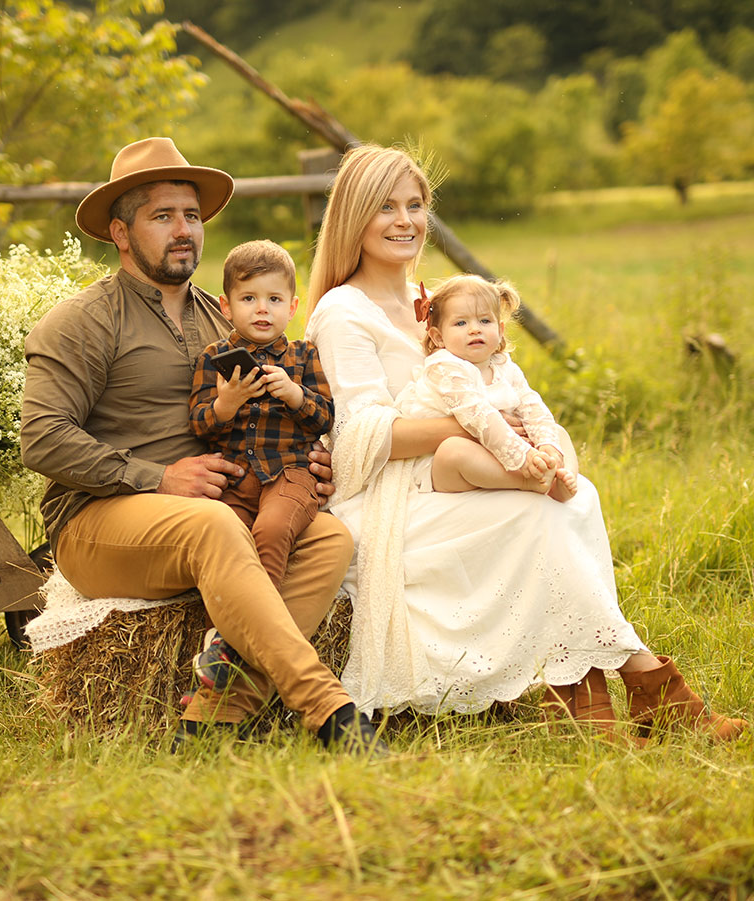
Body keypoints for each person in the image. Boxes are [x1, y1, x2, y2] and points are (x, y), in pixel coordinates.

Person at [304, 142, 746, 743]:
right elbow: (360, 436)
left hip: (467, 467)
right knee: (533, 515)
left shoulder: (434, 302)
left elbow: (505, 386)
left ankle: (589, 698)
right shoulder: (343, 310)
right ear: (355, 216)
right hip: (392, 491)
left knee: (574, 495)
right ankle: (652, 689)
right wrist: (472, 427)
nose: (406, 221)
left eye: (416, 204)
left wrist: (537, 440)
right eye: (386, 207)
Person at [20, 137, 384, 755]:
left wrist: (309, 458)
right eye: (162, 216)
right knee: (210, 525)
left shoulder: (227, 318)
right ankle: (329, 710)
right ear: (121, 231)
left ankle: (215, 716)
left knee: (331, 539)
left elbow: (280, 407)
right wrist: (155, 478)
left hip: (228, 501)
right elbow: (42, 438)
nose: (183, 229)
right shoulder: (81, 321)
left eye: (191, 215)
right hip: (101, 520)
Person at [187, 239, 333, 692]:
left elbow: (326, 416)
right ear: (225, 305)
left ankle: (231, 645)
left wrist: (294, 394)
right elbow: (199, 424)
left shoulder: (304, 357)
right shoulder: (213, 359)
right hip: (235, 479)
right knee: (226, 543)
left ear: (292, 305)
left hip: (291, 474)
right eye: (249, 299)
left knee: (271, 532)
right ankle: (239, 640)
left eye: (273, 300)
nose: (262, 309)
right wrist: (227, 404)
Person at [394, 273, 578, 503]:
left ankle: (561, 474)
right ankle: (523, 481)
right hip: (443, 462)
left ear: (500, 330)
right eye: (461, 323)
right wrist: (524, 457)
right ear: (438, 337)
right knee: (454, 451)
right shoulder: (444, 368)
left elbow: (531, 405)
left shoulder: (502, 365)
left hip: (500, 447)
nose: (474, 329)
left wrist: (547, 447)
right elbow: (479, 416)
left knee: (557, 432)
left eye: (484, 321)